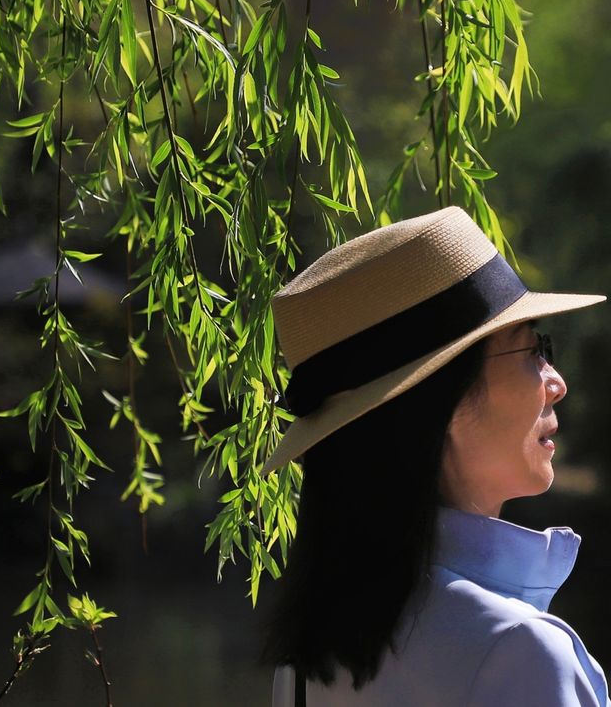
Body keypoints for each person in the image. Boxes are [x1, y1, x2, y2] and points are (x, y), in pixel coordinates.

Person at [261, 206, 609, 706]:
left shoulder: (303, 664)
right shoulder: (522, 652)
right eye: (533, 351)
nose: (557, 382)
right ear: (443, 405)